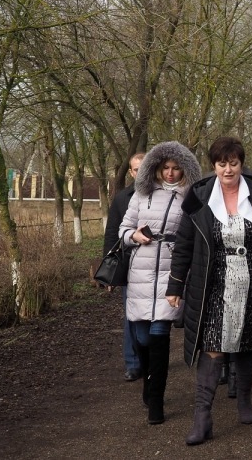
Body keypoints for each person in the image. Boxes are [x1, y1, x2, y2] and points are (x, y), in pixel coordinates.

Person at [166, 137, 252, 446]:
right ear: (214, 166)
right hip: (213, 282)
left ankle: (245, 401)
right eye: (222, 164)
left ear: (241, 164)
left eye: (233, 163)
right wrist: (176, 285)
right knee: (212, 344)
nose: (228, 169)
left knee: (248, 343)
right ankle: (202, 416)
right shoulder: (198, 196)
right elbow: (183, 244)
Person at [119, 142, 202, 424]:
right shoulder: (141, 195)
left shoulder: (191, 196)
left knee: (159, 335)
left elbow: (197, 233)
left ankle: (156, 400)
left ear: (184, 169)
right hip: (141, 269)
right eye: (165, 167)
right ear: (156, 168)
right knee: (141, 337)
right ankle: (148, 380)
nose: (170, 172)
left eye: (176, 167)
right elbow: (124, 229)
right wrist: (134, 236)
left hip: (172, 270)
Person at [102, 152, 144, 382]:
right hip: (129, 265)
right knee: (130, 315)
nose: (140, 172)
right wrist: (109, 270)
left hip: (157, 266)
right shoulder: (122, 199)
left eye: (144, 167)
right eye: (136, 169)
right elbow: (112, 234)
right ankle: (133, 363)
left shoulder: (165, 194)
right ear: (131, 172)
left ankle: (152, 359)